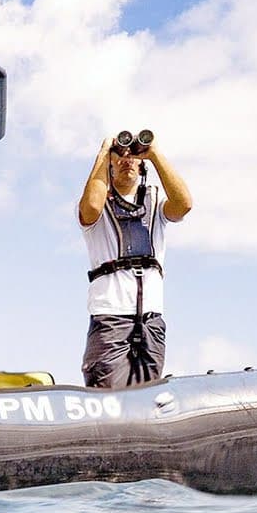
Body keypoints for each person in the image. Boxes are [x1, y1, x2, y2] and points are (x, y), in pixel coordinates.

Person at [77, 132, 192, 389]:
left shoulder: (154, 202)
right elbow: (92, 207)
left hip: (151, 321)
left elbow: (183, 204)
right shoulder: (94, 202)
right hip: (111, 319)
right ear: (109, 166)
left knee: (147, 403)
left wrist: (154, 153)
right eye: (119, 157)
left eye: (132, 157)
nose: (126, 160)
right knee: (107, 400)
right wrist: (105, 152)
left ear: (142, 166)